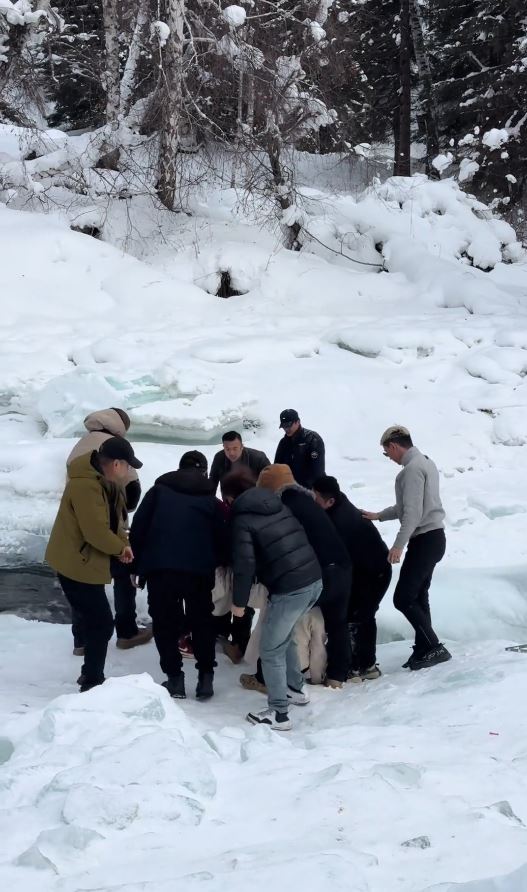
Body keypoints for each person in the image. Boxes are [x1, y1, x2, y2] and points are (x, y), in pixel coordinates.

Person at [222, 470, 322, 731]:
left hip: (290, 589)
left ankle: (279, 714)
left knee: (270, 649)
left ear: (231, 499)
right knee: (283, 637)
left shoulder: (242, 520)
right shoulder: (277, 504)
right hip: (313, 580)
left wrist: (239, 603)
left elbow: (244, 566)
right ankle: (295, 690)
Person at [45, 438, 141, 692]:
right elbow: (95, 531)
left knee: (95, 620)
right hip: (76, 563)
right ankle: (92, 682)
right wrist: (120, 548)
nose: (130, 472)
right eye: (128, 467)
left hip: (87, 561)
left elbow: (115, 522)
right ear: (117, 464)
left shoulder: (106, 482)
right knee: (101, 623)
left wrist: (123, 545)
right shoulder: (85, 486)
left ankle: (90, 674)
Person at [129, 451, 226, 701]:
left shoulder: (158, 493)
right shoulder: (210, 500)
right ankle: (205, 679)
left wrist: (136, 567)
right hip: (198, 573)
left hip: (161, 571)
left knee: (165, 624)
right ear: (203, 472)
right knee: (202, 623)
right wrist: (212, 562)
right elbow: (222, 538)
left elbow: (138, 529)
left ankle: (174, 679)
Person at [362, 426, 451, 670]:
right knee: (419, 594)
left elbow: (412, 513)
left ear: (393, 446)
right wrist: (379, 516)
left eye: (386, 452)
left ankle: (433, 647)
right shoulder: (426, 462)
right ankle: (424, 648)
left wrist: (398, 546)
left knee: (403, 598)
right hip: (435, 537)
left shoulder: (411, 471)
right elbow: (408, 507)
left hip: (424, 539)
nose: (389, 457)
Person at [257, 464, 351, 688]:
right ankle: (337, 676)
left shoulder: (285, 508)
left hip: (319, 573)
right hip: (343, 567)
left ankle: (265, 679)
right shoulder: (309, 502)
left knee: (282, 618)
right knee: (338, 623)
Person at [67, 407, 151, 653]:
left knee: (83, 580)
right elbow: (133, 492)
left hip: (78, 526)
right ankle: (126, 632)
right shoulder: (115, 447)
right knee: (123, 575)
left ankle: (81, 640)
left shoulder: (79, 445)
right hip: (110, 527)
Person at [313, 474, 392, 681]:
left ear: (330, 501)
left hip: (374, 573)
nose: (313, 502)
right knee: (356, 615)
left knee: (360, 616)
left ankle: (365, 666)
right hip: (365, 569)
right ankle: (359, 663)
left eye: (316, 498)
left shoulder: (340, 522)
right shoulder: (337, 503)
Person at [274, 409, 325, 489]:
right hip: (289, 489)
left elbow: (317, 471)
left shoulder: (313, 439)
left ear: (297, 422)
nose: (286, 429)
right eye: (284, 426)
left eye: (288, 425)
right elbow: (277, 467)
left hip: (310, 491)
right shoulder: (283, 443)